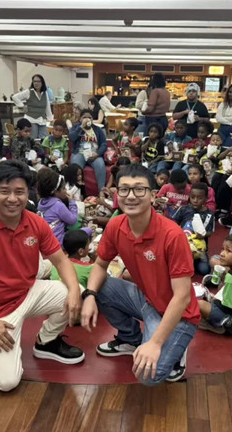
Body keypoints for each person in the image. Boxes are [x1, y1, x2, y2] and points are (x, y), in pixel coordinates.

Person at [0, 160, 85, 392]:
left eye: (19, 192)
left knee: (78, 293)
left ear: (28, 194)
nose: (13, 199)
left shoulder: (35, 222)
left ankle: (46, 342)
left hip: (27, 292)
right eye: (5, 191)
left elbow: (61, 260)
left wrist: (73, 291)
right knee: (7, 383)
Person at [81, 164, 200, 384]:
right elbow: (99, 265)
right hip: (146, 299)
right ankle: (130, 338)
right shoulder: (116, 225)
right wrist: (89, 295)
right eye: (124, 189)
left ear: (153, 195)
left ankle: (176, 349)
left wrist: (155, 343)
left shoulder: (172, 235)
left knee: (147, 376)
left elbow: (182, 297)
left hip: (178, 313)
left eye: (139, 189)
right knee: (100, 286)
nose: (130, 196)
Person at [174, 183, 215, 275]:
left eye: (199, 198)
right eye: (193, 197)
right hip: (183, 246)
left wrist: (203, 235)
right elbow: (173, 224)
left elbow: (210, 232)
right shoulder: (183, 209)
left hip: (199, 249)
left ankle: (193, 261)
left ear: (206, 199)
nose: (195, 200)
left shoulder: (209, 214)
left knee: (205, 270)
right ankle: (187, 261)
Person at [37, 167, 80, 245]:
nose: (66, 190)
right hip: (58, 243)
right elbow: (73, 221)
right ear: (56, 192)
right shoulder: (58, 205)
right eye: (63, 188)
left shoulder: (41, 202)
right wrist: (72, 202)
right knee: (87, 231)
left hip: (45, 242)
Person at [69, 109, 108, 191]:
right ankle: (75, 191)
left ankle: (102, 191)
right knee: (75, 167)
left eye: (89, 117)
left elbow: (104, 144)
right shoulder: (75, 128)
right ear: (80, 119)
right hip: (79, 153)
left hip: (94, 154)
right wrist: (81, 128)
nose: (87, 119)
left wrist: (97, 154)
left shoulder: (98, 129)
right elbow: (72, 138)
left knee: (100, 164)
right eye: (84, 117)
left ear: (92, 119)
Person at [12, 75, 53, 139]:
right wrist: (22, 106)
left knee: (45, 139)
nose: (36, 83)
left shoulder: (45, 93)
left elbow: (47, 107)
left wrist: (50, 119)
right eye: (34, 81)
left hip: (42, 120)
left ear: (42, 83)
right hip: (31, 120)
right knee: (32, 138)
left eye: (38, 81)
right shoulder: (28, 92)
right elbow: (14, 97)